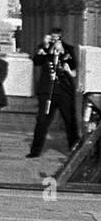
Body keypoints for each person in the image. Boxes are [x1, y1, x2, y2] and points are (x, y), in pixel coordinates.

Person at [28, 27, 79, 158]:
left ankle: (74, 148)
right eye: (53, 37)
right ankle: (35, 150)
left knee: (69, 119)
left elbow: (73, 66)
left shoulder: (68, 48)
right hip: (47, 90)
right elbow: (37, 61)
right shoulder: (44, 48)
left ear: (62, 37)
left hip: (64, 90)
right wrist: (45, 46)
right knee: (42, 120)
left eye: (58, 37)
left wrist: (62, 52)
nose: (55, 40)